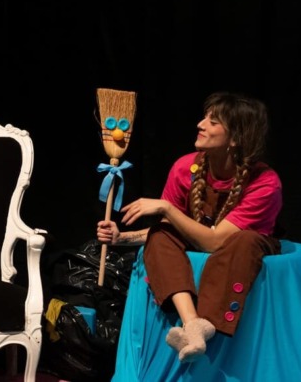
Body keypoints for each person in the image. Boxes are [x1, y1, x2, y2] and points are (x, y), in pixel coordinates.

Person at [96, 91, 283, 362]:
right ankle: (193, 324)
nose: (200, 125)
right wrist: (120, 238)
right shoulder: (185, 167)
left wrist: (166, 208)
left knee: (245, 241)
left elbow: (216, 242)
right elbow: (170, 232)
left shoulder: (265, 183)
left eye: (213, 122)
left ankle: (208, 322)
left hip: (241, 248)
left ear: (235, 138)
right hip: (199, 251)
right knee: (161, 235)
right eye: (204, 117)